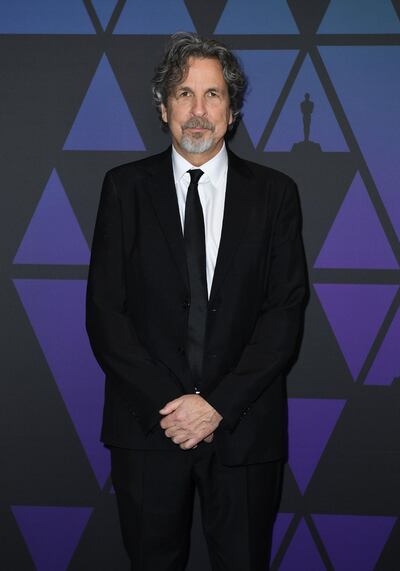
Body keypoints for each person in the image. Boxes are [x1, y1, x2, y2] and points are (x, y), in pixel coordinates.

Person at [86, 31, 308, 571]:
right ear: (163, 108)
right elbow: (105, 316)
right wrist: (174, 409)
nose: (198, 110)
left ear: (232, 112)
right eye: (184, 93)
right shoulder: (124, 189)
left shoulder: (276, 194)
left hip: (244, 430)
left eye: (213, 95)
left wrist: (216, 406)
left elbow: (283, 314)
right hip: (149, 429)